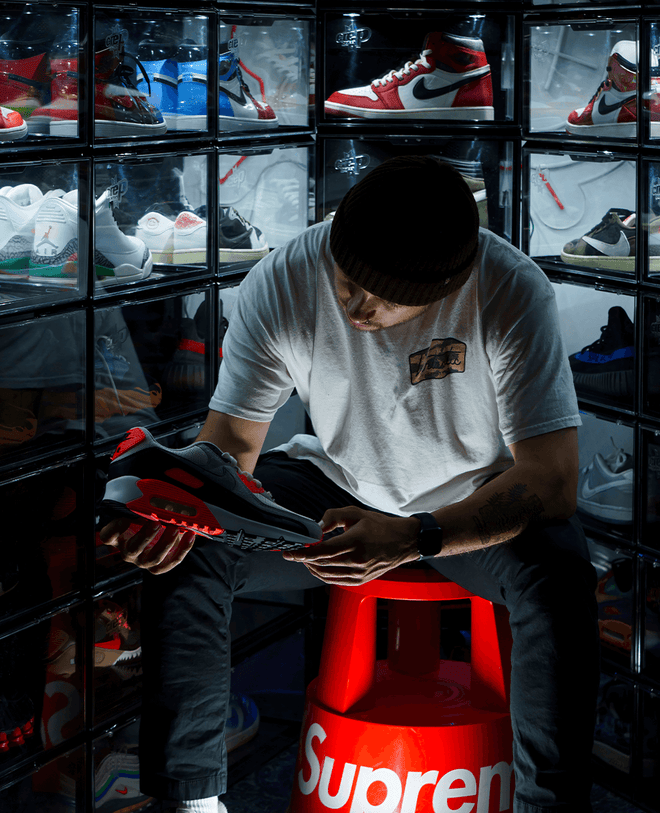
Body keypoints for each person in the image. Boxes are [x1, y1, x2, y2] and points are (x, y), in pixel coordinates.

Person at [99, 155, 599, 813]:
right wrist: (181, 508)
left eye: (390, 300)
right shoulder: (283, 279)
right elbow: (232, 447)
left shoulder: (508, 287)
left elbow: (551, 479)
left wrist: (415, 537)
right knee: (192, 553)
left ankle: (549, 807)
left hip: (467, 502)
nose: (361, 308)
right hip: (333, 483)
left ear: (451, 280)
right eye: (348, 282)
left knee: (559, 573)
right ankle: (193, 800)